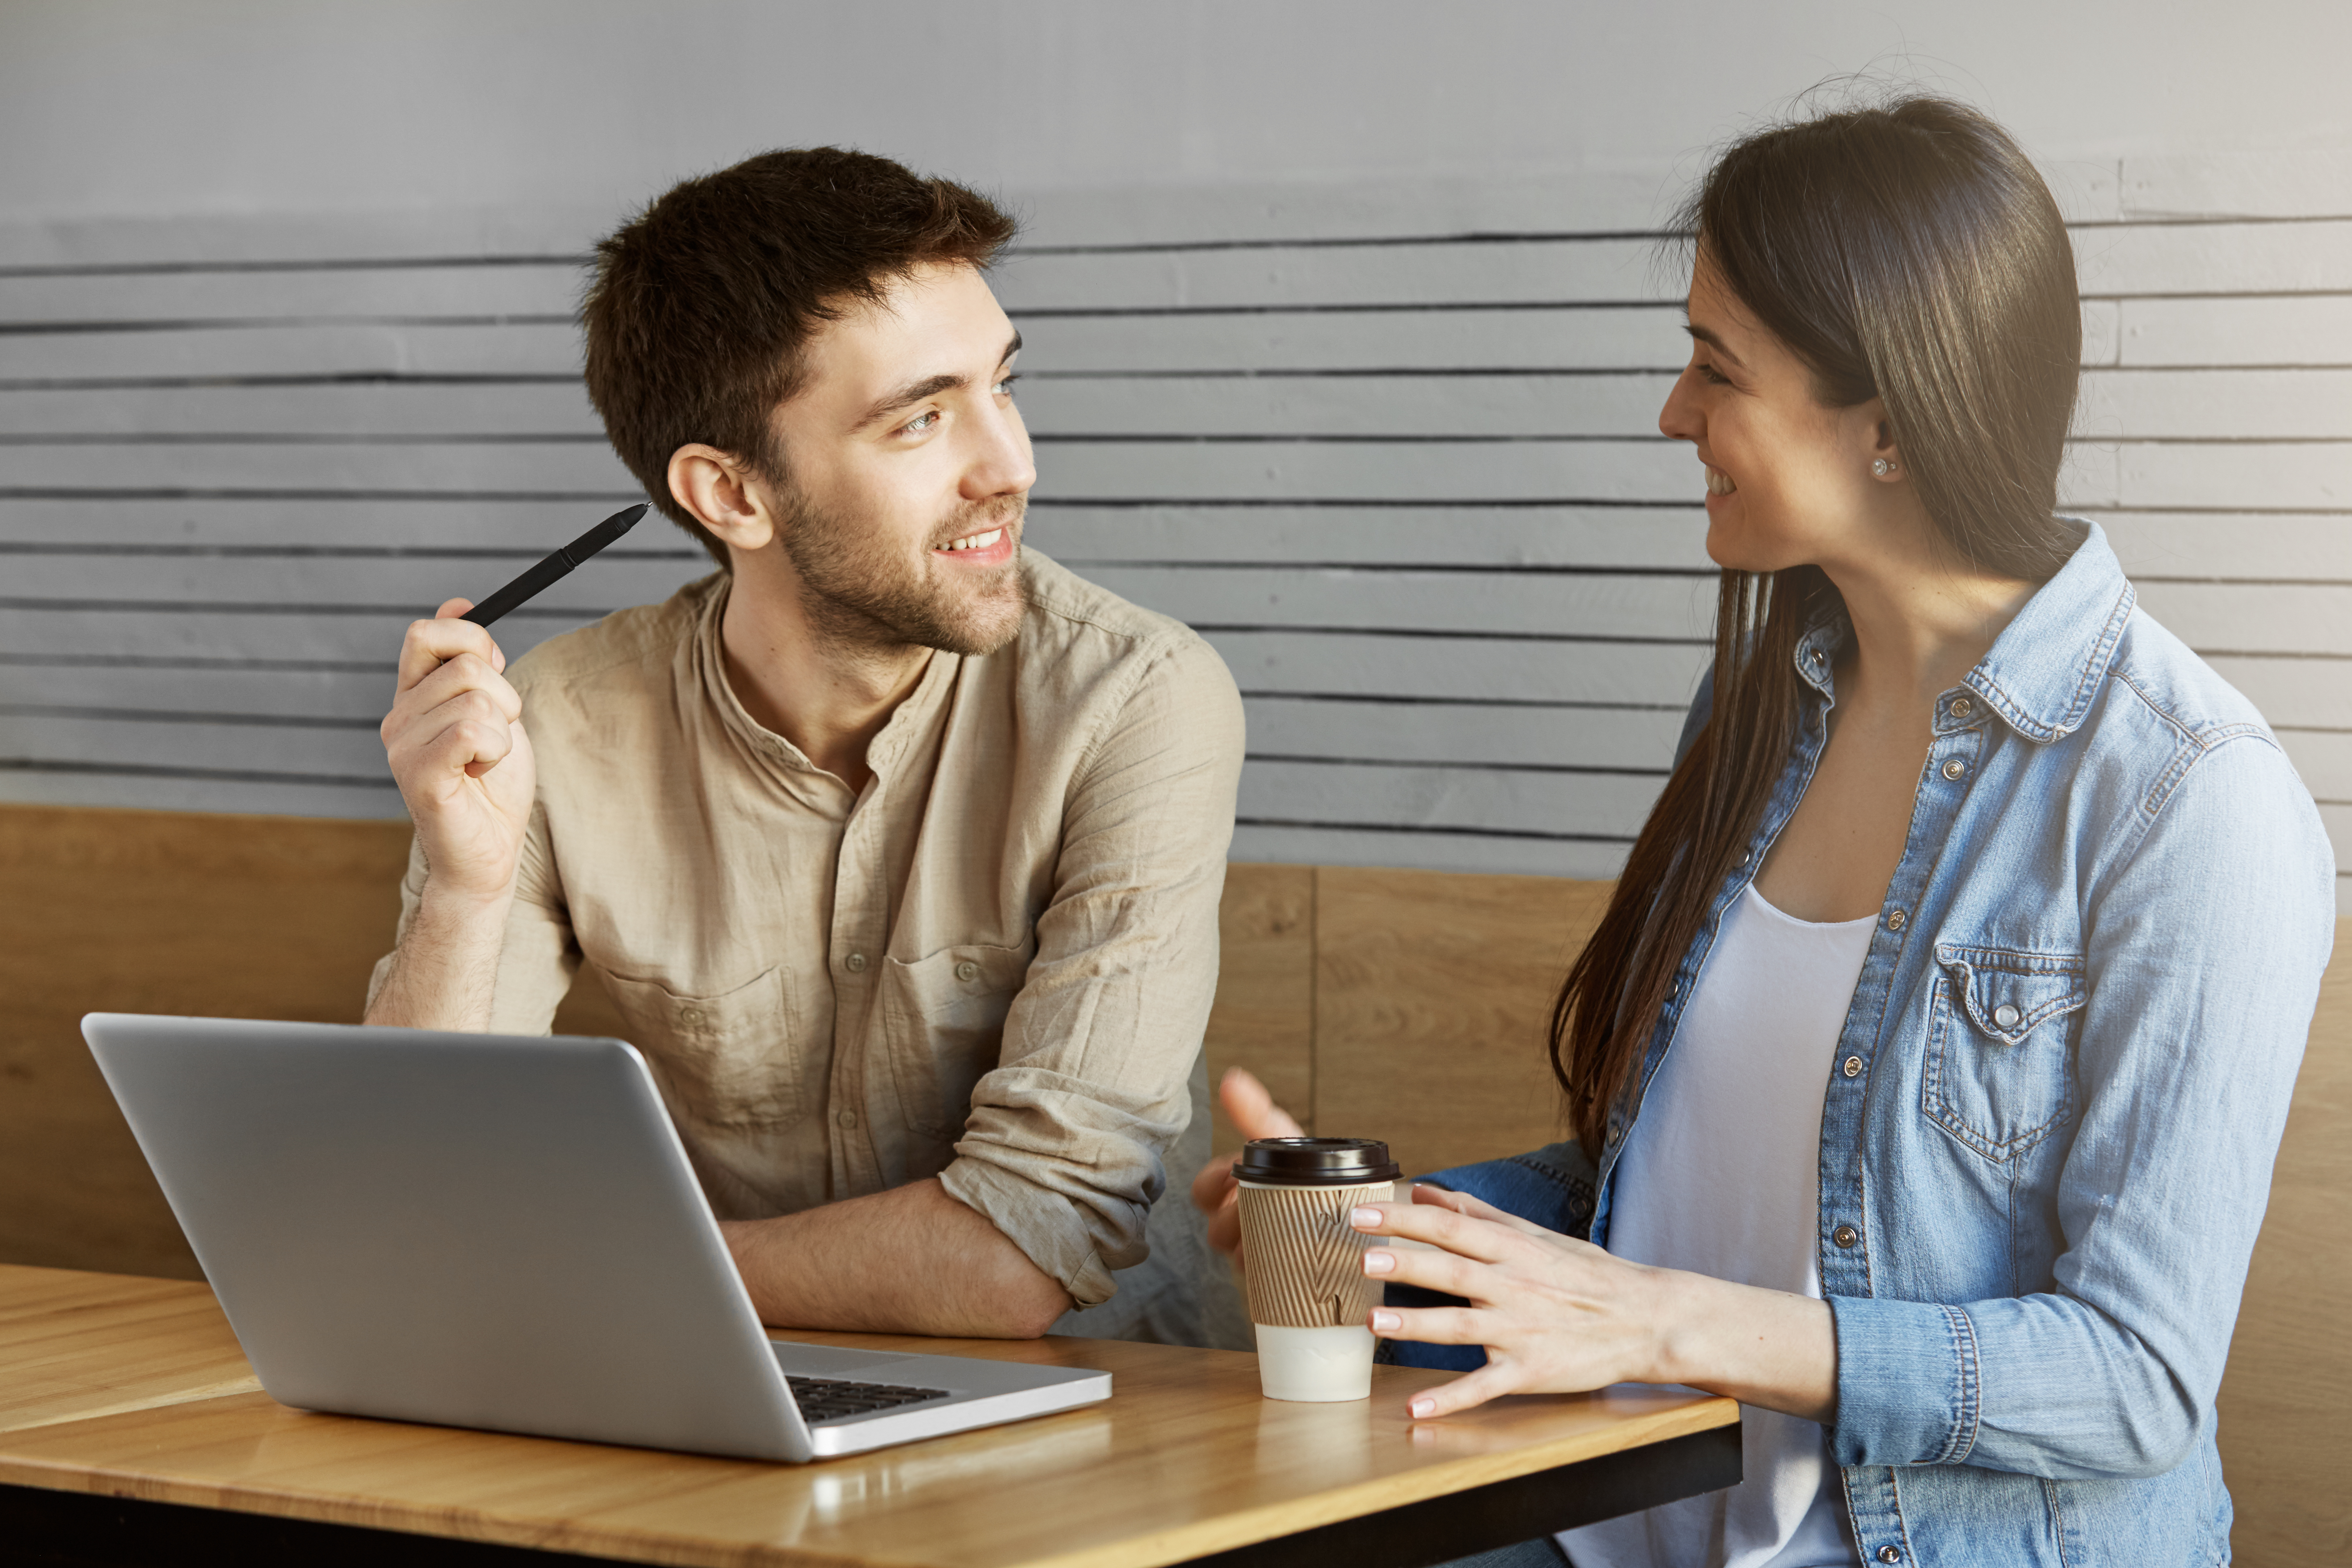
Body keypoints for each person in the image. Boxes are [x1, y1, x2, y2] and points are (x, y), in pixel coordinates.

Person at [1198, 96, 2335, 1566]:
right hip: (1599, 1521)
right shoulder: (1759, 709)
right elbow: (1698, 1189)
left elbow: (2135, 1379)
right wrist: (1402, 1239)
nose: (1675, 413)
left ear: (1890, 424)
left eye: (1714, 367)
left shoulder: (2190, 799)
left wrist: (1659, 1319)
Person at [369, 148, 1247, 1348]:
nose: (1012, 466)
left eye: (1005, 385)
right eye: (923, 419)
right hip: (720, 1399)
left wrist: (600, 1274)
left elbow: (1022, 1251)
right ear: (730, 496)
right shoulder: (558, 722)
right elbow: (407, 1195)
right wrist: (464, 892)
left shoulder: (1135, 699)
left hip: (1101, 1431)